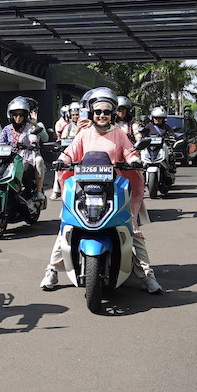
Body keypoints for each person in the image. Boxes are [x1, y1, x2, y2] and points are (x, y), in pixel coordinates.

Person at [40, 88, 163, 294]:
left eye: (106, 112)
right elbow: (70, 153)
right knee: (66, 228)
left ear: (112, 114)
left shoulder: (119, 134)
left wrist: (134, 161)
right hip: (84, 189)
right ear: (92, 112)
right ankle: (51, 270)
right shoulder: (84, 134)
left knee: (132, 230)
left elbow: (130, 152)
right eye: (98, 112)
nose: (102, 116)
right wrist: (62, 161)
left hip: (113, 190)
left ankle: (147, 275)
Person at [0, 96, 49, 201]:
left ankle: (33, 192)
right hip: (10, 158)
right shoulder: (7, 129)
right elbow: (1, 141)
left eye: (21, 115)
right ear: (11, 115)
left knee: (27, 167)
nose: (18, 117)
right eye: (15, 115)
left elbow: (34, 136)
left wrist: (33, 143)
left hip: (26, 157)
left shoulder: (30, 127)